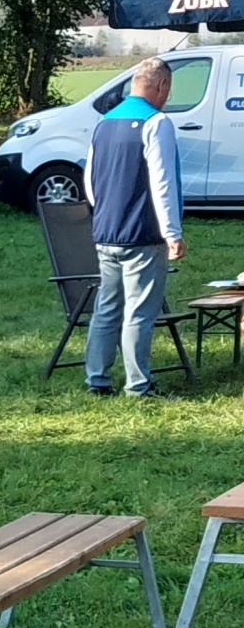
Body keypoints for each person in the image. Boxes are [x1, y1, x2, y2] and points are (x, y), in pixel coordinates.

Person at [83, 56, 185, 399]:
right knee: (140, 312)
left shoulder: (103, 123)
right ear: (162, 85)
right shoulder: (157, 123)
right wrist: (172, 232)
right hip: (142, 233)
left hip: (106, 231)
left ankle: (97, 379)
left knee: (107, 308)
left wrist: (105, 215)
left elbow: (90, 181)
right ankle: (138, 385)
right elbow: (162, 181)